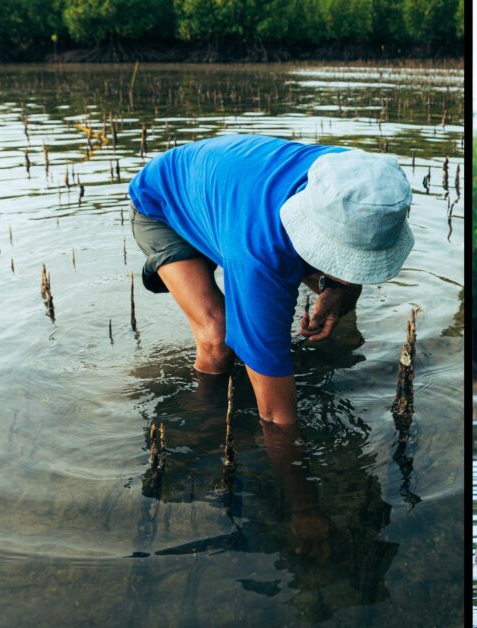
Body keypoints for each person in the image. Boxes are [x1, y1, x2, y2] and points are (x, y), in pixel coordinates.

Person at [128, 133, 414, 426]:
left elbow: (353, 259)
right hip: (162, 204)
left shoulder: (368, 186)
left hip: (231, 196)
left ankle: (334, 341)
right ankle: (201, 411)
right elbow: (277, 417)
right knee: (217, 337)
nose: (348, 271)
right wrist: (293, 467)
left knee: (343, 287)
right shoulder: (259, 251)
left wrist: (336, 290)